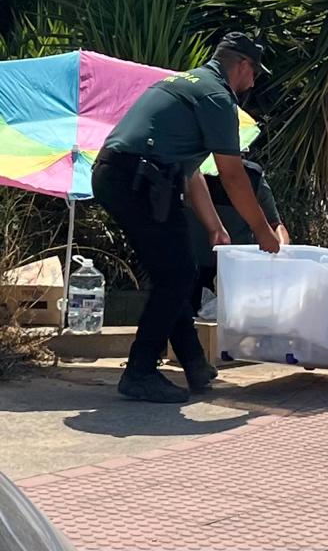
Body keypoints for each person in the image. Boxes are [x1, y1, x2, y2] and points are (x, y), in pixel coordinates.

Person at [93, 33, 281, 403]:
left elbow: (191, 173)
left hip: (118, 175)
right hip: (141, 179)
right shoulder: (216, 98)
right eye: (254, 72)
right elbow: (232, 174)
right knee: (177, 274)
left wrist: (214, 226)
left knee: (173, 273)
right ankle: (140, 372)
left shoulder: (185, 82)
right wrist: (262, 229)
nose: (254, 81)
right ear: (242, 65)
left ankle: (195, 364)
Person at [186, 158, 292, 313]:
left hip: (238, 270)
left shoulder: (252, 175)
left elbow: (276, 225)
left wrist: (282, 252)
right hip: (193, 271)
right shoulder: (187, 171)